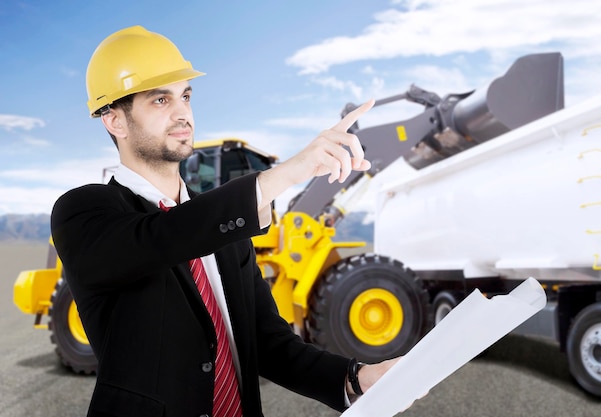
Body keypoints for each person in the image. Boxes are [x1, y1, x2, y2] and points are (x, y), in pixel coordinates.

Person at [51, 26, 397, 417]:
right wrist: (288, 172)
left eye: (185, 96)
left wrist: (356, 378)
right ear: (115, 121)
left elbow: (268, 344)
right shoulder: (83, 211)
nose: (182, 113)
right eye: (161, 99)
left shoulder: (228, 229)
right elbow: (162, 237)